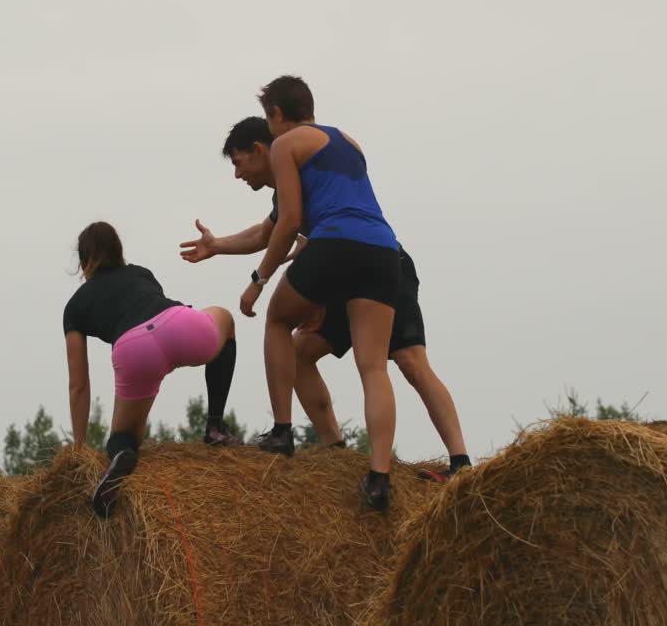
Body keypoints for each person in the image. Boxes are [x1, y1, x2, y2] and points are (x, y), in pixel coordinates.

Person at [184, 116, 471, 482]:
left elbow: (293, 228)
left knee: (410, 360)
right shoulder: (288, 183)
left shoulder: (301, 163)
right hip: (343, 271)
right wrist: (217, 245)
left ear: (259, 150)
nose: (238, 174)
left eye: (239, 163)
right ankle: (336, 452)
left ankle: (460, 462)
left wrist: (260, 280)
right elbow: (265, 233)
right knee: (299, 353)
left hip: (375, 263)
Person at [237, 76, 402, 511]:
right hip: (385, 250)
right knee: (373, 367)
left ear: (276, 113)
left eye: (268, 117)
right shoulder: (349, 141)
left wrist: (258, 280)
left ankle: (282, 431)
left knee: (277, 320)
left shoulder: (284, 144)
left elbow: (290, 221)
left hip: (335, 243)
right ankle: (379, 477)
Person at [64, 222, 239, 518]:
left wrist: (79, 450)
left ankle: (121, 452)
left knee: (125, 436)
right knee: (225, 318)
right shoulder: (140, 273)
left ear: (83, 261)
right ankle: (215, 426)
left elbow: (78, 384)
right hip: (179, 324)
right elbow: (155, 318)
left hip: (134, 350)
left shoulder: (75, 307)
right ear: (118, 250)